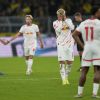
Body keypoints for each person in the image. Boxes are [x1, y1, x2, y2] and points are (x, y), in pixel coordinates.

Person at [72, 6, 100, 98]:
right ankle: (94, 94)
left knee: (84, 70)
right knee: (97, 70)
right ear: (96, 13)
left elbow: (74, 34)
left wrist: (83, 46)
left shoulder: (84, 23)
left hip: (87, 47)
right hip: (97, 47)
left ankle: (79, 93)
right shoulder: (99, 23)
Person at [53, 8, 74, 85]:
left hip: (69, 44)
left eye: (61, 14)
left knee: (70, 62)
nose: (60, 16)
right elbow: (58, 31)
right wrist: (62, 21)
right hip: (60, 44)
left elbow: (72, 28)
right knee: (61, 61)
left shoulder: (69, 20)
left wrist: (65, 20)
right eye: (59, 15)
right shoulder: (55, 23)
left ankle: (66, 77)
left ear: (64, 15)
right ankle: (63, 79)